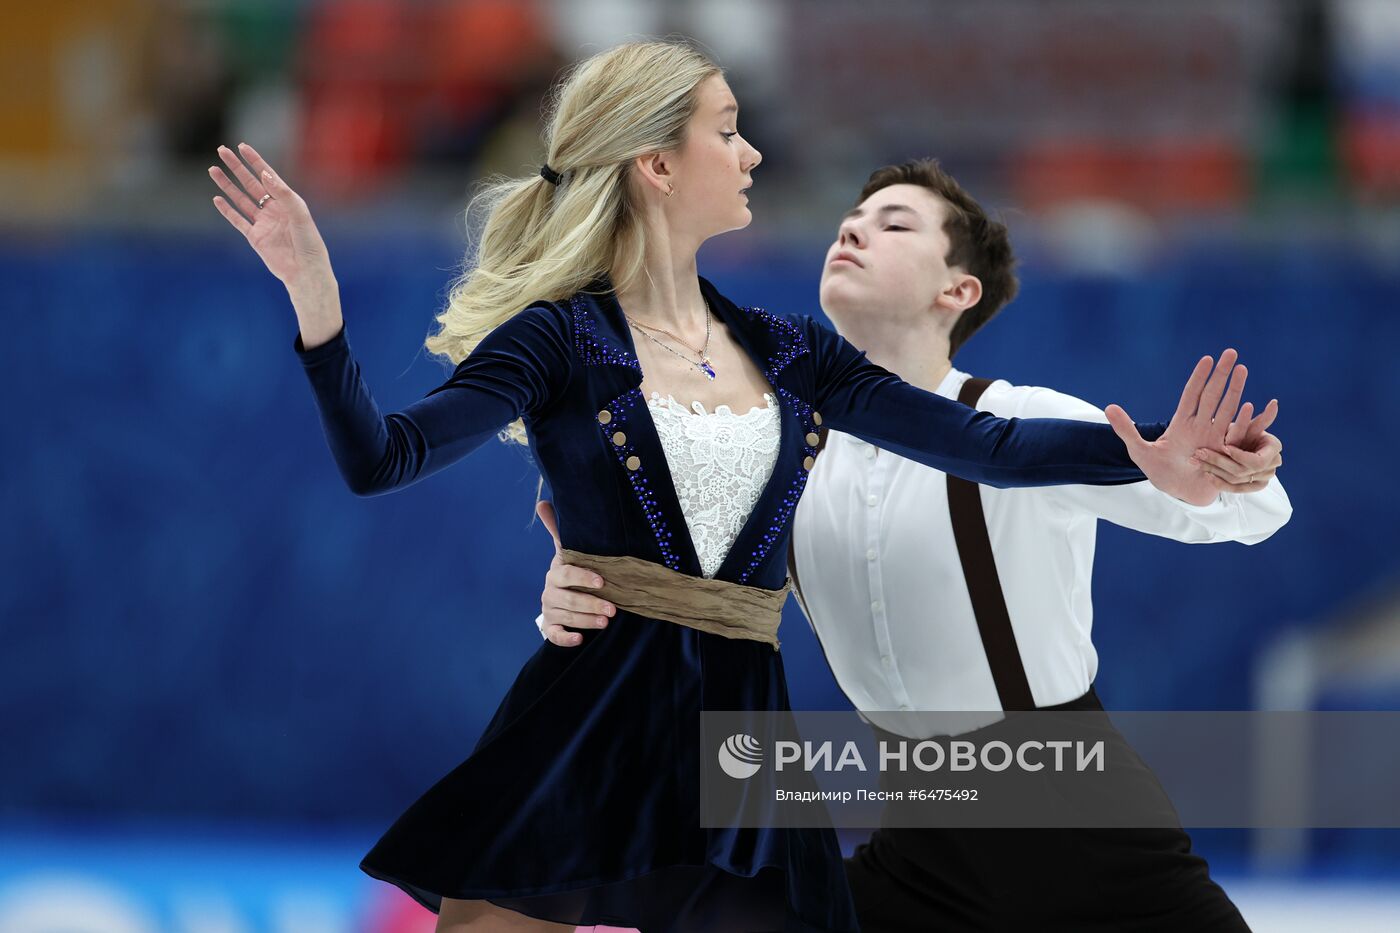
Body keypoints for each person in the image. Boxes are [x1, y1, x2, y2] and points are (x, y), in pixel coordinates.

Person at [209, 40, 1261, 933]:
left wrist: (1144, 455)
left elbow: (990, 446)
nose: (753, 150)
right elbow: (381, 457)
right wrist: (317, 302)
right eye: (726, 129)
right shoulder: (558, 340)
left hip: (740, 740)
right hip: (588, 715)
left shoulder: (792, 353)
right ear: (657, 164)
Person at [534, 159, 1289, 931]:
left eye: (894, 223)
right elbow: (665, 589)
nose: (855, 229)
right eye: (848, 223)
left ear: (957, 291)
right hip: (921, 838)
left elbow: (1245, 510)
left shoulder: (1022, 417)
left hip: (1079, 819)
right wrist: (575, 587)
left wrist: (1237, 476)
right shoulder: (776, 451)